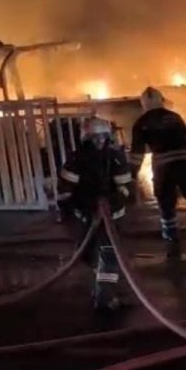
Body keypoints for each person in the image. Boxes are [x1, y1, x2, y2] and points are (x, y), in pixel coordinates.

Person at [128, 87, 186, 259]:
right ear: (161, 100)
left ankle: (171, 234)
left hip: (163, 166)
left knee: (165, 199)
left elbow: (137, 154)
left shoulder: (142, 122)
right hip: (185, 162)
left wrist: (130, 176)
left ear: (144, 104)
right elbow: (185, 140)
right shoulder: (175, 117)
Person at [57, 117, 133, 313]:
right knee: (86, 253)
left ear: (108, 137)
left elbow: (125, 188)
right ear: (86, 138)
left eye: (103, 136)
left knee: (109, 253)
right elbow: (65, 191)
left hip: (112, 217)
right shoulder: (76, 160)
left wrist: (112, 202)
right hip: (86, 216)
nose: (99, 141)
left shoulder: (115, 158)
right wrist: (77, 208)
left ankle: (105, 297)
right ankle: (103, 287)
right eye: (94, 137)